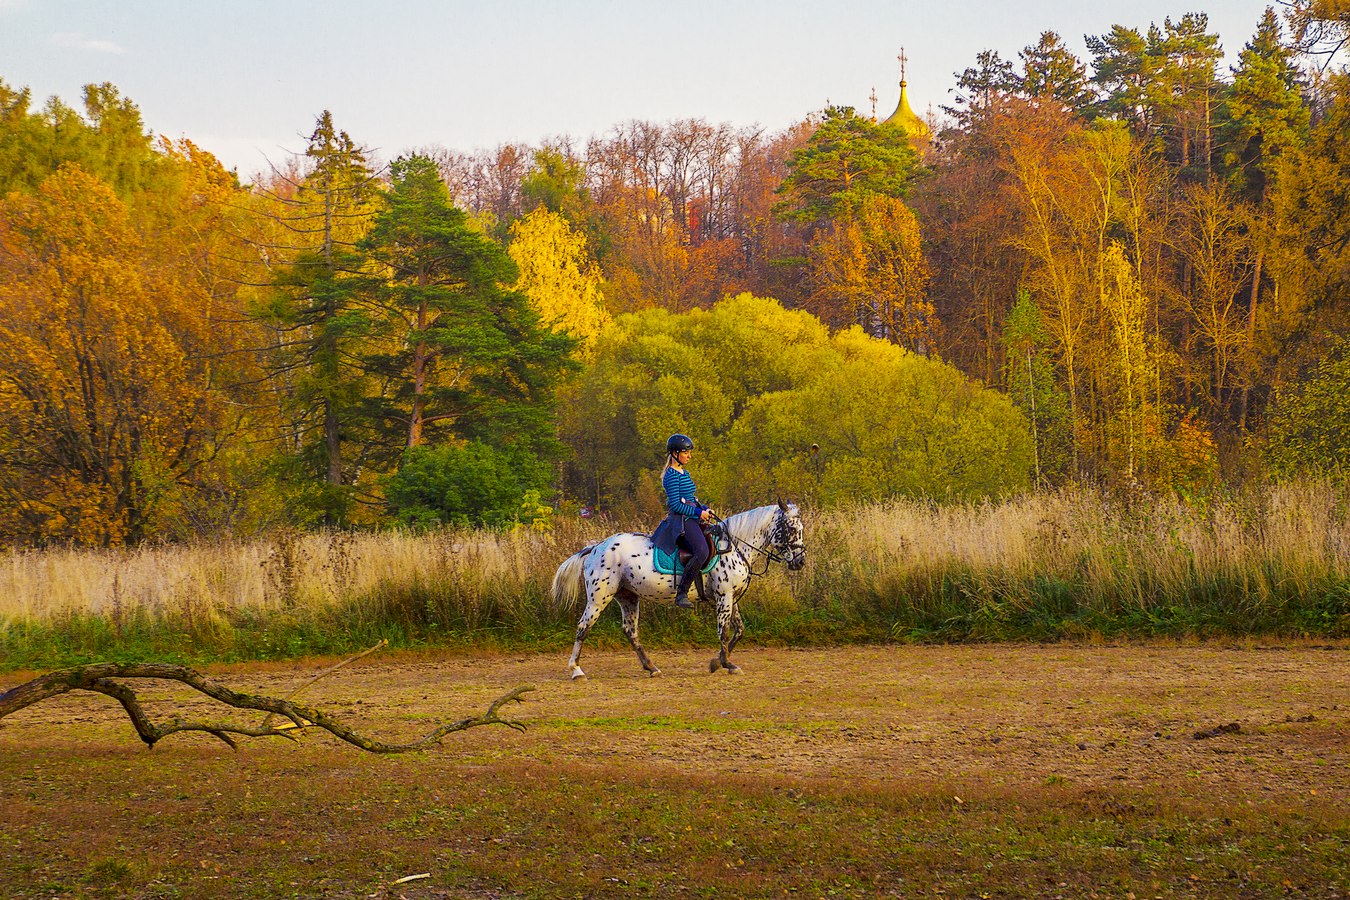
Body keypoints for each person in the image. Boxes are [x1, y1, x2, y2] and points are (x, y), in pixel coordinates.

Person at [661, 433, 713, 609]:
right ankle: (682, 593)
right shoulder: (671, 475)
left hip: (692, 515)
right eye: (686, 452)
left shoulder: (684, 472)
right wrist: (698, 513)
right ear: (675, 453)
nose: (689, 456)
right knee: (702, 551)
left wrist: (704, 508)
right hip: (682, 520)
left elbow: (689, 498)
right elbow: (676, 504)